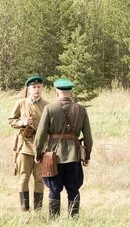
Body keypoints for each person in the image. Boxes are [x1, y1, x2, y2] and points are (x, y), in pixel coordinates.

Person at [35, 78, 93, 218]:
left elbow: (40, 135)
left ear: (56, 93)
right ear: (71, 93)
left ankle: (54, 219)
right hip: (74, 156)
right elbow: (88, 138)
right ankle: (74, 218)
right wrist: (87, 156)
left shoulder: (49, 108)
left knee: (54, 189)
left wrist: (38, 154)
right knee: (73, 189)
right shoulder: (81, 109)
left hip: (53, 155)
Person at [8, 76, 49, 212]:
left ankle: (37, 209)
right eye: (33, 87)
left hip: (40, 147)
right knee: (24, 177)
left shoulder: (47, 105)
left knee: (39, 179)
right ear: (29, 89)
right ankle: (24, 208)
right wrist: (22, 122)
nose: (36, 90)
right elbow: (11, 120)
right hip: (24, 145)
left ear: (42, 88)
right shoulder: (21, 103)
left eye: (38, 87)